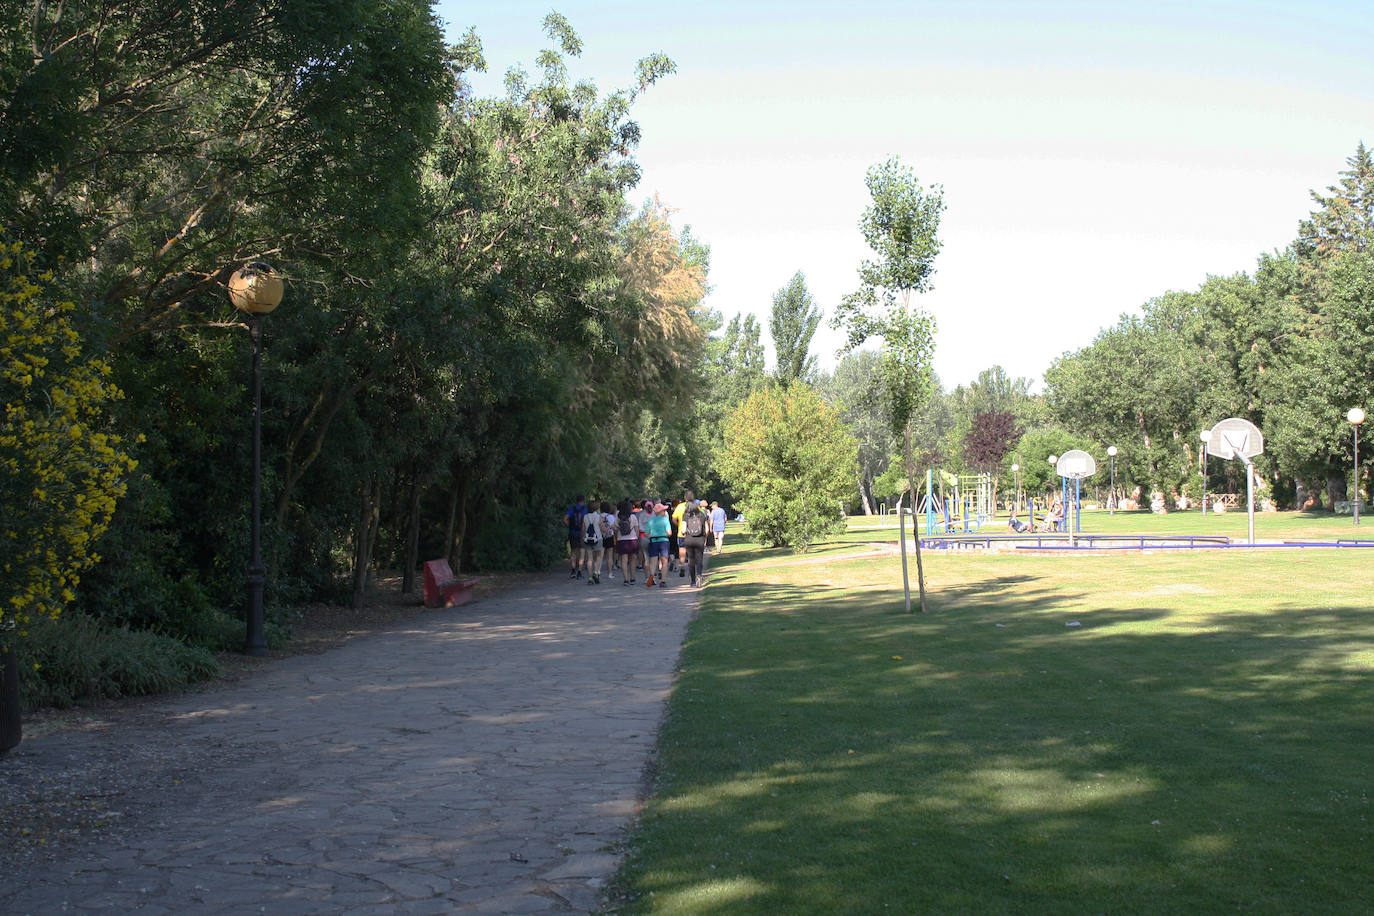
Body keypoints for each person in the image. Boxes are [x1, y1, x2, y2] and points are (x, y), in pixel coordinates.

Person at [680, 499, 710, 587]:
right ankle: (699, 575)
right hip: (700, 539)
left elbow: (683, 529)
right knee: (699, 558)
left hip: (689, 539)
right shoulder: (702, 515)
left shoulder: (685, 515)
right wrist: (705, 537)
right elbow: (707, 529)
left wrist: (684, 533)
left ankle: (693, 581)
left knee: (691, 559)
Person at [643, 502, 673, 588]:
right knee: (664, 561)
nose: (665, 512)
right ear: (661, 512)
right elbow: (669, 533)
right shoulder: (665, 520)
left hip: (653, 541)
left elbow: (646, 534)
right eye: (664, 510)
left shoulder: (651, 520)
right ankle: (663, 581)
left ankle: (652, 575)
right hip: (664, 541)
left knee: (653, 561)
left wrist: (652, 535)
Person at [613, 500, 641, 585]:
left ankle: (625, 579)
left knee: (623, 560)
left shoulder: (618, 518)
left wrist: (617, 538)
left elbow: (616, 530)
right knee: (632, 560)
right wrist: (637, 538)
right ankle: (632, 578)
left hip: (622, 541)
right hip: (632, 540)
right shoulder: (633, 517)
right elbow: (637, 530)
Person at [564, 496, 588, 579]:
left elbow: (564, 519)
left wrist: (570, 527)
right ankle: (579, 572)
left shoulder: (572, 509)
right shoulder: (585, 509)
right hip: (582, 533)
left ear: (576, 501)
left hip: (572, 532)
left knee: (573, 552)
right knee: (582, 552)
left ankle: (573, 570)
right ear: (583, 501)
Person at [672, 491, 694, 578]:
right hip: (693, 532)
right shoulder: (695, 506)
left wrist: (678, 525)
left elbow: (673, 519)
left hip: (681, 532)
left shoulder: (680, 506)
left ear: (685, 498)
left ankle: (682, 565)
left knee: (682, 549)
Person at [581, 505, 603, 584]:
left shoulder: (585, 517)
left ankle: (590, 578)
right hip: (598, 538)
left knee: (589, 558)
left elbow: (583, 529)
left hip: (587, 539)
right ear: (595, 508)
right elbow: (602, 528)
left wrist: (583, 538)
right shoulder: (598, 516)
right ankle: (596, 572)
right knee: (598, 557)